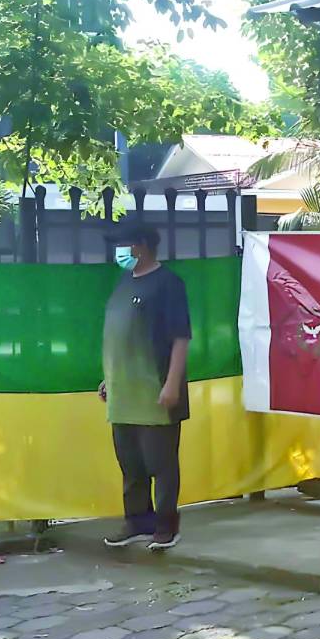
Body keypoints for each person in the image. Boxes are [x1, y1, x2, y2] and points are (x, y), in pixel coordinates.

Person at [99, 221, 192, 551]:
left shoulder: (168, 284)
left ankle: (166, 524)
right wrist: (109, 379)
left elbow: (181, 338)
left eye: (122, 244)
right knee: (131, 464)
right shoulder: (123, 283)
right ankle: (137, 520)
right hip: (123, 393)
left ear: (141, 245)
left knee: (161, 463)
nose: (118, 252)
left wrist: (172, 384)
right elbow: (118, 336)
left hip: (156, 392)